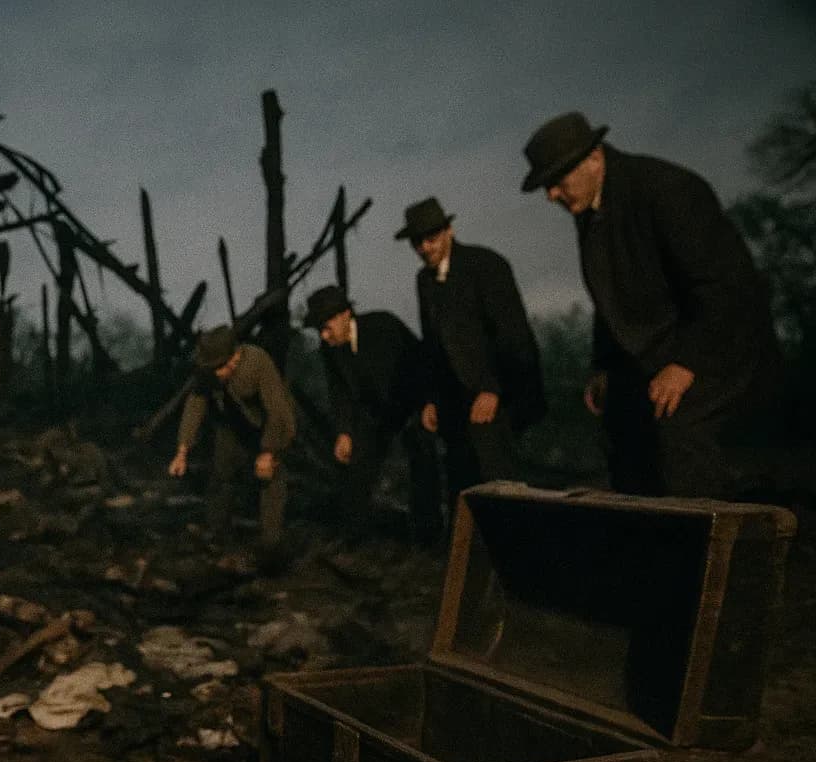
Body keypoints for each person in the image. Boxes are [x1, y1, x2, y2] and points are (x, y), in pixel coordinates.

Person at [522, 111, 784, 498]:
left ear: (594, 159)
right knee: (620, 427)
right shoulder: (588, 212)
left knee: (675, 429)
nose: (551, 195)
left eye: (557, 181)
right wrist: (605, 366)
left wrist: (686, 362)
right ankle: (645, 542)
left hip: (721, 346)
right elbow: (612, 299)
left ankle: (703, 545)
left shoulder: (668, 190)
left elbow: (726, 287)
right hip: (653, 355)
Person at [396, 197, 546, 514]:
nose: (424, 247)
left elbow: (513, 335)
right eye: (417, 242)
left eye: (431, 238)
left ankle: (513, 551)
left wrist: (492, 389)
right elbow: (433, 347)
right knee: (462, 481)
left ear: (449, 230)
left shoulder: (486, 266)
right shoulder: (424, 280)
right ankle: (467, 556)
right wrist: (432, 398)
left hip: (502, 393)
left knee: (500, 482)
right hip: (455, 400)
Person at [304, 285, 442, 545]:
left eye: (326, 327)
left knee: (422, 457)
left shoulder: (383, 326)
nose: (324, 336)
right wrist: (344, 432)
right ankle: (355, 538)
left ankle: (429, 538)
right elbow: (340, 392)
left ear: (345, 315)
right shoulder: (330, 349)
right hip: (375, 413)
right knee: (355, 463)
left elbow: (423, 363)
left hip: (413, 403)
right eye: (319, 330)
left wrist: (429, 403)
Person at [167, 325, 296, 563]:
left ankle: (271, 545)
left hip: (267, 426)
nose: (214, 374)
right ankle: (217, 536)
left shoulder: (257, 363)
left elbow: (278, 413)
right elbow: (195, 406)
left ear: (234, 359)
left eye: (219, 368)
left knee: (270, 479)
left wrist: (269, 451)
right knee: (221, 474)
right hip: (231, 426)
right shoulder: (208, 370)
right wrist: (182, 451)